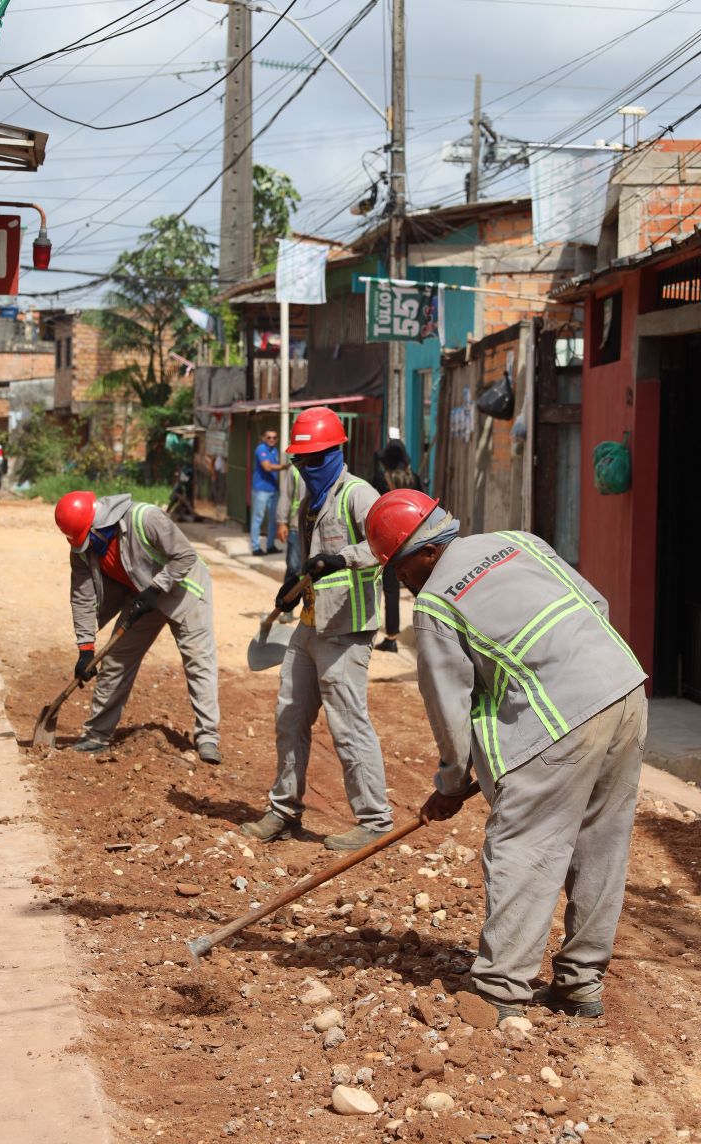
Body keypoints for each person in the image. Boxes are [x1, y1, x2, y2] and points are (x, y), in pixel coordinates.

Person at [364, 489, 647, 1022]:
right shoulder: (520, 542)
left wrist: (451, 784)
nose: (402, 581)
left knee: (525, 845)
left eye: (400, 570)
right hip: (624, 689)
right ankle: (581, 984)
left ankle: (499, 990)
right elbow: (596, 607)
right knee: (600, 844)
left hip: (561, 720)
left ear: (424, 553)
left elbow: (448, 709)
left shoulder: (437, 602)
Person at [241, 407, 393, 852]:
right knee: (289, 718)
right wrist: (293, 586)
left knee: (348, 725)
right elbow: (312, 563)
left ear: (335, 451)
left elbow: (388, 542)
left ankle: (375, 819)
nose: (306, 466)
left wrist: (343, 558)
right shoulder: (310, 500)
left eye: (314, 458)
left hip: (347, 631)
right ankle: (284, 810)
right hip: (309, 626)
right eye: (301, 459)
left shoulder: (357, 495)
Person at [54, 490, 222, 764]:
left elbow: (185, 556)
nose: (86, 546)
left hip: (185, 591)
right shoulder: (83, 550)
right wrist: (85, 649)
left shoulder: (146, 517)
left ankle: (208, 738)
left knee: (198, 661)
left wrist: (157, 587)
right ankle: (97, 735)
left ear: (99, 522)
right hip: (142, 598)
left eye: (87, 538)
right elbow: (82, 598)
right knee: (116, 661)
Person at [371, 438, 421, 653]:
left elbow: (375, 507)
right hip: (415, 539)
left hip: (391, 541)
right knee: (421, 587)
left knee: (391, 590)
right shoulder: (414, 478)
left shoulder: (380, 479)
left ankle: (391, 637)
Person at [275, 463, 305, 623]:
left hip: (316, 528)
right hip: (295, 527)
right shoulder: (295, 470)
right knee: (294, 569)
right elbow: (286, 495)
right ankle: (287, 608)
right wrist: (281, 521)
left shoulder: (326, 465)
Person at [250, 428, 285, 555]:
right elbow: (267, 467)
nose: (271, 439)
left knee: (273, 519)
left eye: (274, 437)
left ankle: (270, 545)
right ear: (264, 438)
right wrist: (285, 466)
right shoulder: (261, 449)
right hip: (261, 490)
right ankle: (255, 547)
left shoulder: (274, 450)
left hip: (273, 489)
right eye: (269, 437)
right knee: (257, 518)